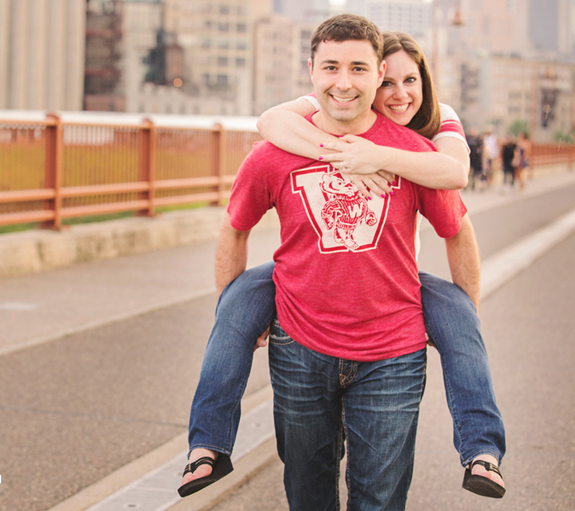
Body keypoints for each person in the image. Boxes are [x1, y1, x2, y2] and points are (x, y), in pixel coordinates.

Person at [180, 27, 506, 503]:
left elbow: (457, 227)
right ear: (311, 71)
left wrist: (459, 320)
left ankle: (482, 451)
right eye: (331, 67)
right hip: (299, 349)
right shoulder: (276, 150)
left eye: (359, 69)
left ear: (376, 73)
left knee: (380, 499)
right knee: (307, 495)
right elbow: (235, 228)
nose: (345, 82)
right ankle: (207, 444)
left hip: (393, 354)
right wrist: (241, 315)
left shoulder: (417, 154)